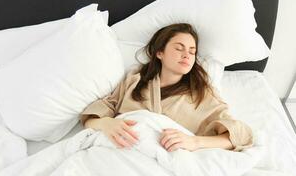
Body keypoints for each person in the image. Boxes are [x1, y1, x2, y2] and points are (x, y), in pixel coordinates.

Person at [81, 23, 253, 152]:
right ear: (159, 53)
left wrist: (194, 142)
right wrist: (107, 124)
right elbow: (91, 119)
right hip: (118, 151)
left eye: (192, 52)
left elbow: (240, 135)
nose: (187, 54)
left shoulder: (202, 93)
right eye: (179, 48)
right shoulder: (135, 80)